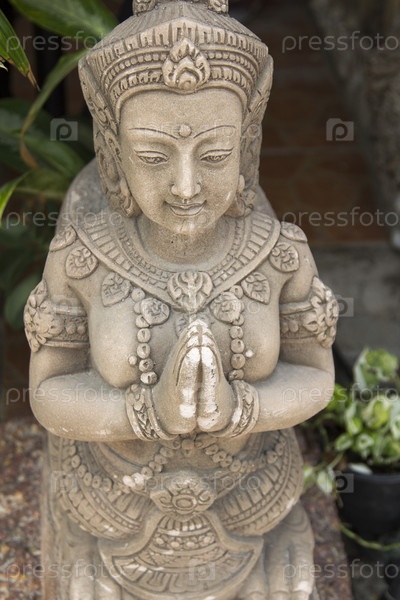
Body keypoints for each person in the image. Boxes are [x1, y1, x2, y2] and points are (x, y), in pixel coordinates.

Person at [24, 1, 338, 598]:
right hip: (113, 492)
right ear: (115, 151)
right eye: (152, 157)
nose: (187, 186)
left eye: (214, 156)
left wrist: (239, 410)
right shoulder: (82, 257)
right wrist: (146, 414)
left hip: (248, 488)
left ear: (246, 148)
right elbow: (47, 392)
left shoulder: (279, 254)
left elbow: (317, 377)